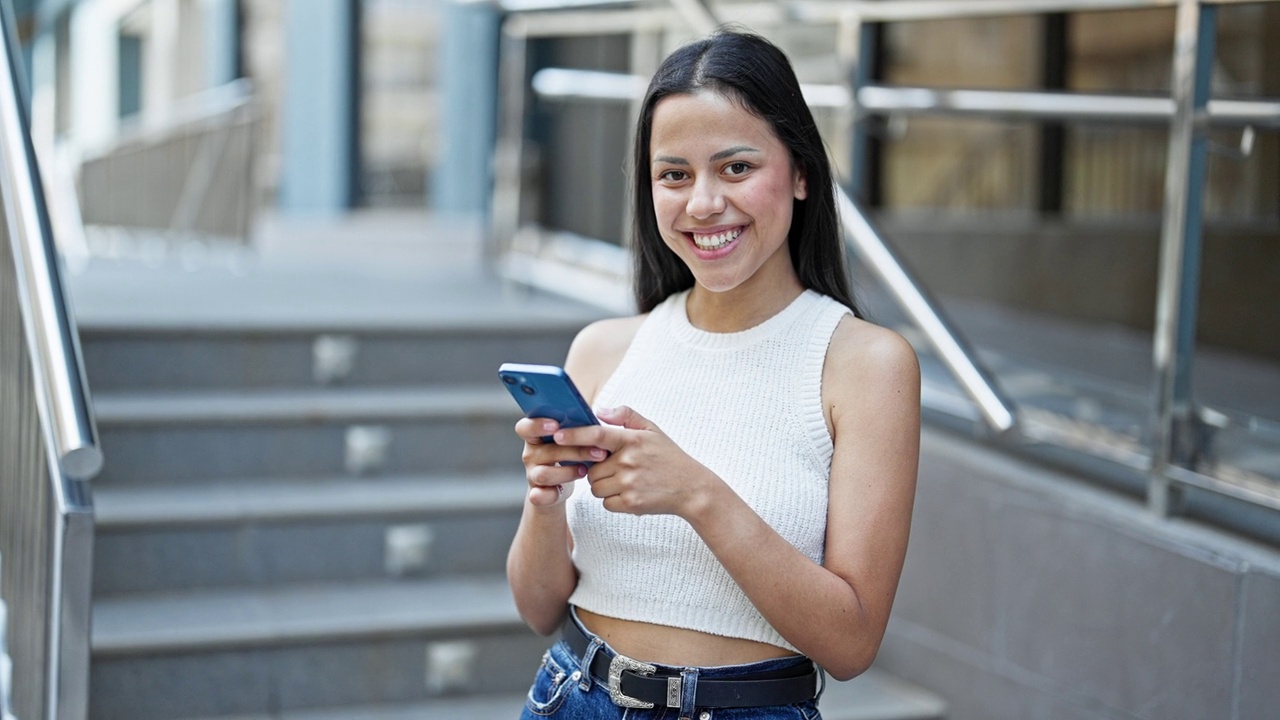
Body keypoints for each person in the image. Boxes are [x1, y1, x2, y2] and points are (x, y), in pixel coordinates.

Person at [507, 28, 920, 720]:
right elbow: (537, 605)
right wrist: (545, 501)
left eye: (735, 168)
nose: (702, 203)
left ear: (800, 173)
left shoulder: (866, 365)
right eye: (674, 174)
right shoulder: (604, 348)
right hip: (574, 697)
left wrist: (698, 494)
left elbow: (851, 644)